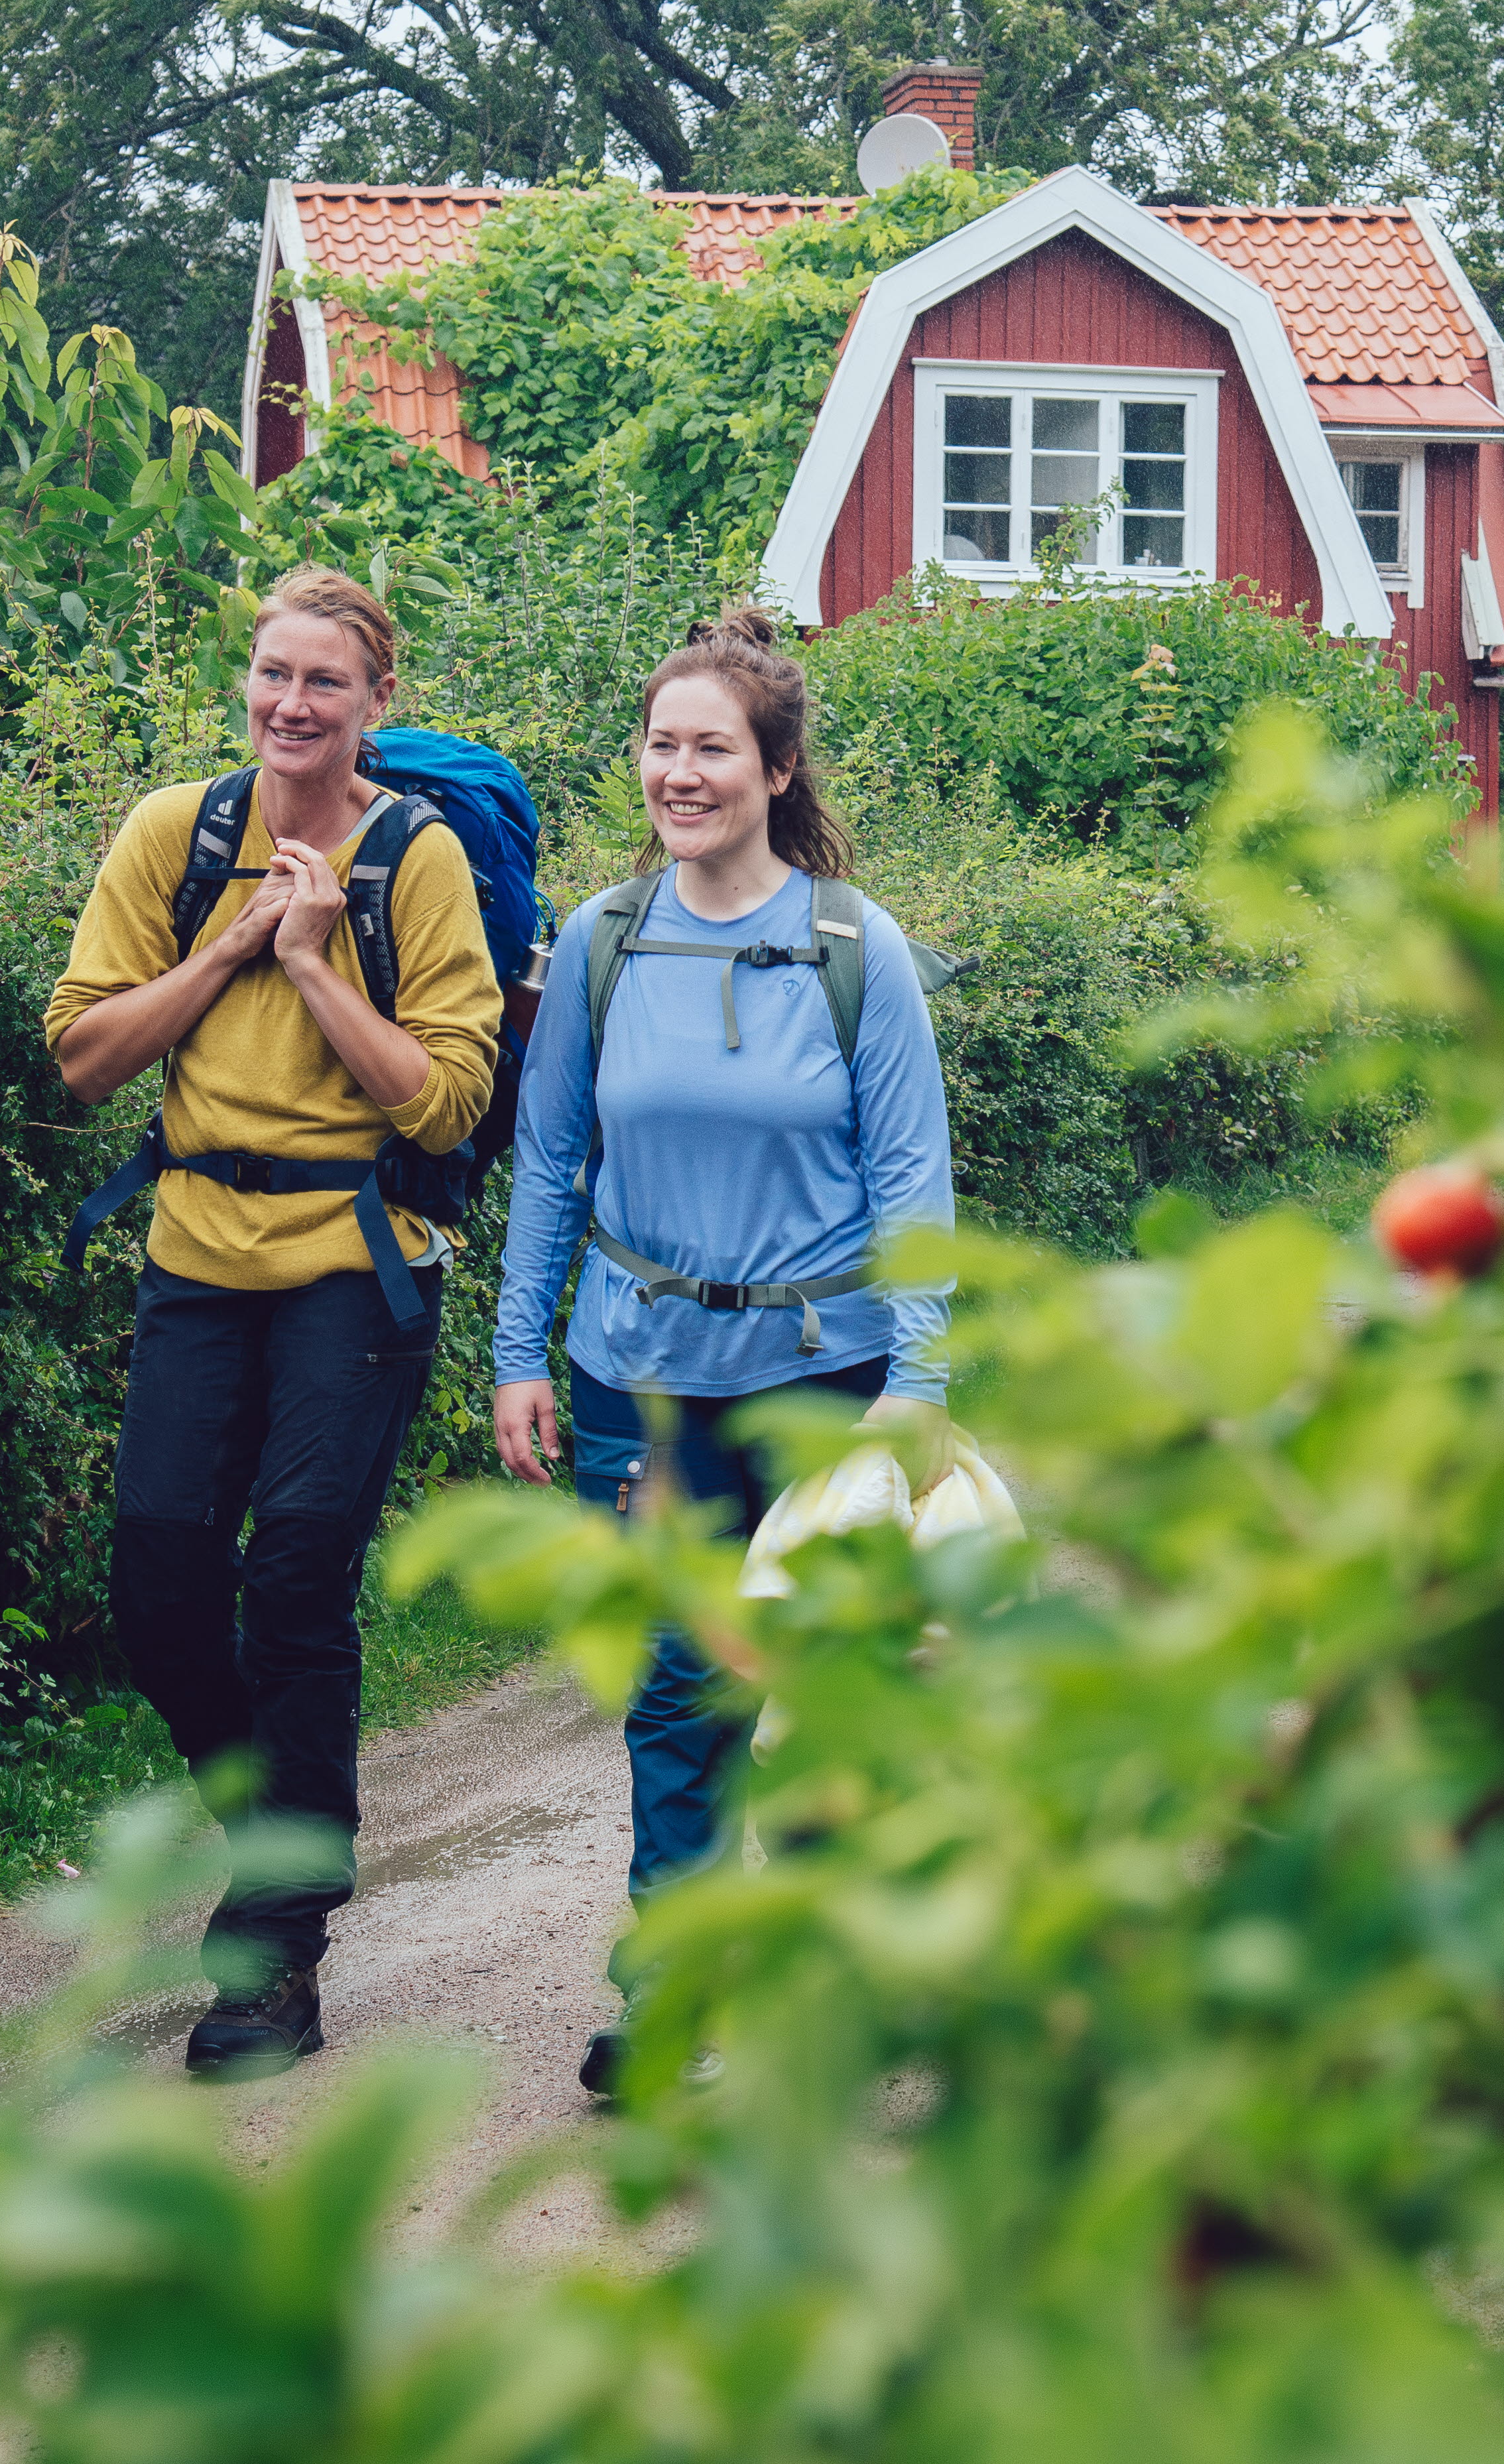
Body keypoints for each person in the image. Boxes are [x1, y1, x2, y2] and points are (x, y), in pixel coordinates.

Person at [490, 607, 956, 2097]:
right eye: (661, 745)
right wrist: (520, 1356)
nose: (678, 774)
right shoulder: (598, 943)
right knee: (682, 1693)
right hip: (645, 1383)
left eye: (711, 749)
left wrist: (918, 1388)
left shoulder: (850, 947)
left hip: (827, 1387)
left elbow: (912, 1184)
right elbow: (550, 1162)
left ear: (774, 770)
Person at [46, 564, 503, 2079]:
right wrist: (232, 947)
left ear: (377, 702)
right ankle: (281, 1840)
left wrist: (311, 959)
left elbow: (447, 1094)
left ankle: (275, 1955)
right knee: (161, 1574)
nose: (290, 705)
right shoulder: (173, 837)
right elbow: (85, 1056)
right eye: (271, 674)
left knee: (296, 1579)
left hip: (351, 1265)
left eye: (325, 682)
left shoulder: (415, 858)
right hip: (194, 1248)